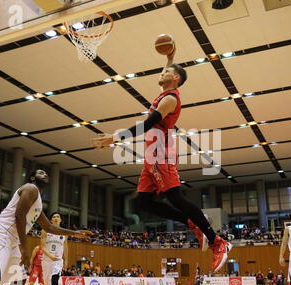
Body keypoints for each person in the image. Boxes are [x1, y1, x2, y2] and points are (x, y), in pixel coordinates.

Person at [91, 43, 231, 272]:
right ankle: (191, 222)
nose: (161, 73)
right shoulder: (166, 91)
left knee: (175, 198)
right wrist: (170, 57)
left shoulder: (170, 100)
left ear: (175, 78)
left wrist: (114, 138)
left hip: (162, 154)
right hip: (151, 156)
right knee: (144, 202)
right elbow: (169, 71)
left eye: (166, 72)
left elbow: (147, 125)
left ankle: (218, 242)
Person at [0, 169, 91, 285]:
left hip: (12, 239)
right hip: (1, 233)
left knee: (18, 281)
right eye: (40, 172)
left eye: (46, 173)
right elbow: (19, 215)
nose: (44, 174)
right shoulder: (30, 188)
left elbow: (49, 227)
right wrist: (24, 248)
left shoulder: (37, 200)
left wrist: (75, 233)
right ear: (32, 178)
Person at [41, 213, 69, 285]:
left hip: (57, 260)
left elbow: (65, 247)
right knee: (47, 284)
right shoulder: (45, 231)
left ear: (60, 220)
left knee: (54, 281)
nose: (56, 218)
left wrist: (66, 260)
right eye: (53, 217)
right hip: (46, 260)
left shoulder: (65, 233)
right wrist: (50, 256)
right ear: (51, 220)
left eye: (58, 217)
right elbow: (42, 247)